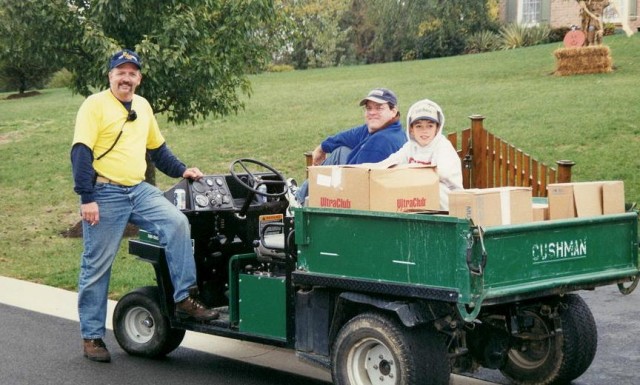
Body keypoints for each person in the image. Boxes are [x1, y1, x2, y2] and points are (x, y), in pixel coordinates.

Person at [71, 49, 218, 363]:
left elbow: (158, 150)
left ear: (139, 78)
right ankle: (92, 336)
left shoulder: (143, 106)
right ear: (110, 76)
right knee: (97, 266)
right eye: (120, 72)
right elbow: (81, 152)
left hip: (139, 190)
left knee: (177, 223)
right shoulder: (94, 105)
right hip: (105, 192)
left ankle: (183, 298)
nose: (126, 78)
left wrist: (182, 170)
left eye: (132, 73)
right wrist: (87, 198)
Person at [293, 88, 407, 205]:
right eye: (369, 108)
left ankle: (297, 200)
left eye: (379, 108)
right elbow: (349, 136)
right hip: (364, 188)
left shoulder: (381, 141)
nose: (372, 112)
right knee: (341, 151)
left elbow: (357, 181)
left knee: (330, 169)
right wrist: (322, 147)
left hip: (360, 198)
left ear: (393, 111)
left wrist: (328, 174)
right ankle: (300, 194)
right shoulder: (389, 129)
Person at [377, 98, 462, 210]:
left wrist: (408, 172)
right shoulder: (410, 147)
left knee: (434, 188)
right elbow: (390, 162)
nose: (424, 131)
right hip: (421, 199)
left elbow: (443, 173)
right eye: (419, 126)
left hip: (450, 201)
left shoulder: (443, 146)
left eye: (430, 126)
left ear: (437, 128)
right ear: (411, 129)